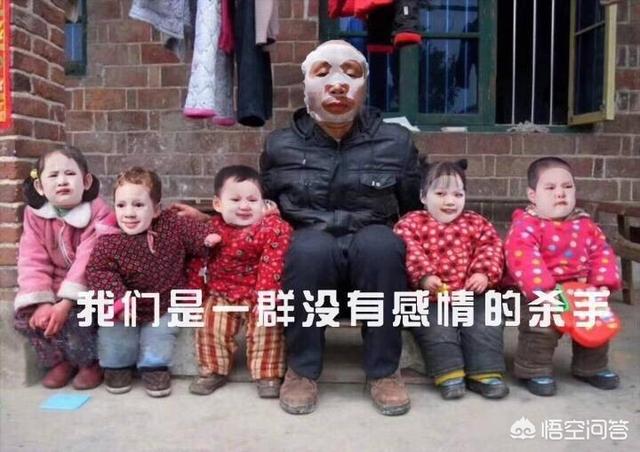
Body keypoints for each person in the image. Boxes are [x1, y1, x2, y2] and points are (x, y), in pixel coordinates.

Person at [259, 40, 422, 415]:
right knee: (308, 246)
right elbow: (264, 210)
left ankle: (384, 371)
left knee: (382, 243)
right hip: (308, 274)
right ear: (306, 87)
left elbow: (413, 213)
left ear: (364, 86)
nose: (337, 84)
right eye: (323, 74)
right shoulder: (280, 145)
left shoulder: (396, 143)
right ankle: (302, 370)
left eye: (351, 74)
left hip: (374, 272)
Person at [85, 167, 219, 397]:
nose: (129, 213)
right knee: (115, 331)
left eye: (138, 205)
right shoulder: (109, 239)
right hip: (124, 303)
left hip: (164, 301)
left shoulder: (171, 225)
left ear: (156, 209)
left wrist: (206, 238)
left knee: (161, 332)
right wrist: (117, 300)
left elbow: (193, 232)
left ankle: (154, 367)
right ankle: (117, 367)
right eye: (121, 205)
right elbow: (98, 271)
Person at [504, 157, 622, 396]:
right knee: (541, 325)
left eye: (567, 186)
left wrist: (602, 284)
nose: (560, 193)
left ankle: (591, 367)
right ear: (533, 195)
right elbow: (523, 258)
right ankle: (533, 369)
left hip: (580, 289)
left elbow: (602, 252)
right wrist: (544, 292)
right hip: (535, 292)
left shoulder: (586, 225)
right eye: (550, 188)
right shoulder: (526, 225)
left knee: (595, 319)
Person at [394, 160, 508, 400]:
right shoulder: (411, 223)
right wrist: (425, 276)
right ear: (423, 196)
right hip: (429, 297)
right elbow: (408, 249)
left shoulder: (476, 223)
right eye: (440, 194)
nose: (450, 201)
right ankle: (449, 373)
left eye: (458, 194)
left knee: (486, 320)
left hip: (471, 293)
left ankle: (484, 373)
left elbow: (491, 247)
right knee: (435, 326)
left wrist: (483, 274)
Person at [185, 165, 292, 399]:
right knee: (210, 325)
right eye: (235, 200)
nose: (244, 206)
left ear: (263, 203)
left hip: (259, 292)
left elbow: (273, 264)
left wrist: (266, 299)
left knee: (266, 327)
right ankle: (213, 370)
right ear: (218, 204)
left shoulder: (273, 228)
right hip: (221, 292)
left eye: (252, 200)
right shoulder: (211, 229)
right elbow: (198, 262)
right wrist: (195, 293)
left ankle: (267, 374)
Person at [14, 145, 112, 389]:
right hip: (52, 289)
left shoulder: (99, 213)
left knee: (79, 317)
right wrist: (42, 302)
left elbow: (89, 260)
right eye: (53, 175)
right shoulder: (35, 215)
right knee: (27, 318)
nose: (62, 181)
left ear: (86, 181)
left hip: (89, 288)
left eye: (70, 174)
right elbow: (31, 258)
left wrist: (66, 302)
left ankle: (89, 363)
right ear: (40, 186)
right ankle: (60, 360)